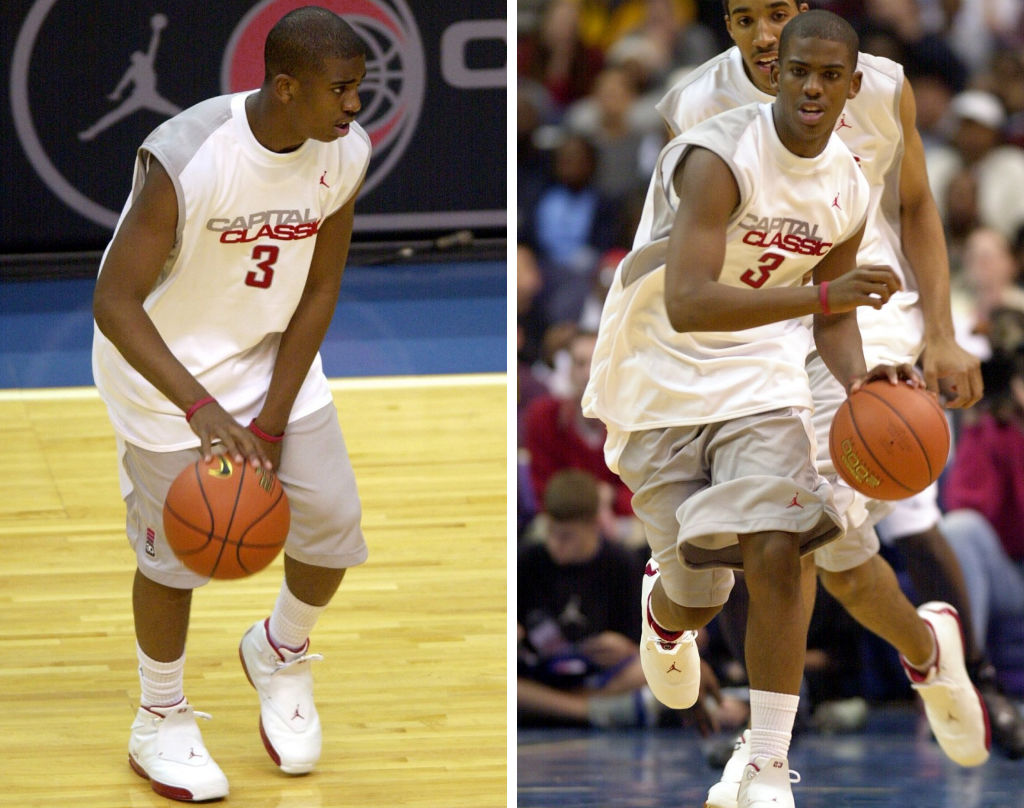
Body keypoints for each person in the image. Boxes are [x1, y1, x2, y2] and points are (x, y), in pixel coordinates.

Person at [583, 11, 939, 807]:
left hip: (761, 371)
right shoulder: (719, 156)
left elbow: (834, 320)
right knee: (700, 591)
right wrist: (821, 293)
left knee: (780, 546)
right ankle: (665, 612)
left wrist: (863, 385)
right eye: (797, 71)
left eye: (828, 76)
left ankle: (767, 758)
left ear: (853, 87)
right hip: (659, 370)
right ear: (774, 76)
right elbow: (687, 302)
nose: (811, 86)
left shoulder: (848, 180)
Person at [652, 0, 1003, 781]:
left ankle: (770, 746)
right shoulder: (694, 105)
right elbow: (681, 259)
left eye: (779, 12)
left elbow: (914, 204)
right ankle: (924, 650)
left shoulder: (877, 85)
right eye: (747, 18)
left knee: (802, 516)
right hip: (751, 316)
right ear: (728, 25)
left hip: (857, 308)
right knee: (832, 547)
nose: (767, 34)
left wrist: (941, 331)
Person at [91, 7, 370, 802]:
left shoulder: (344, 153)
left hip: (268, 366)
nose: (354, 107)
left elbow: (320, 285)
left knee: (331, 526)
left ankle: (280, 650)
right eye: (341, 90)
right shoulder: (189, 157)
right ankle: (160, 717)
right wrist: (200, 408)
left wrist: (271, 418)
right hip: (162, 377)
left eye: (360, 89)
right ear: (286, 88)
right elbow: (114, 300)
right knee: (174, 558)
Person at [517, 469, 656, 728]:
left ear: (593, 525)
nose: (555, 543)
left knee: (654, 666)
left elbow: (643, 641)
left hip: (600, 674)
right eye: (551, 532)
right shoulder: (527, 561)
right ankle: (590, 710)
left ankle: (557, 707)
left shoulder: (621, 563)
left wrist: (626, 646)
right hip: (543, 674)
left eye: (567, 536)